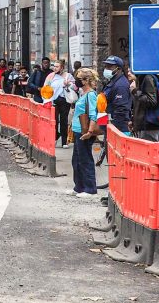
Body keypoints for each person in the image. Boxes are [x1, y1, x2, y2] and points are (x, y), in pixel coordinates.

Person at [70, 67, 100, 197]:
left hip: (84, 131)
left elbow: (93, 114)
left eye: (79, 78)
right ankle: (79, 186)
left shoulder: (91, 95)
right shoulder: (83, 94)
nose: (76, 81)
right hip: (78, 130)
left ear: (86, 81)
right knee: (76, 160)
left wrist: (90, 131)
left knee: (85, 159)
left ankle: (90, 188)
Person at [44, 59, 74, 147]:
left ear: (62, 67)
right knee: (54, 121)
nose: (55, 68)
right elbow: (45, 88)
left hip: (65, 100)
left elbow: (75, 87)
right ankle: (55, 137)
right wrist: (47, 100)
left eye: (57, 66)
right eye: (54, 66)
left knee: (64, 120)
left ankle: (64, 142)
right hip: (54, 100)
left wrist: (68, 84)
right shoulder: (50, 76)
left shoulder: (68, 76)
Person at [101, 56, 133, 136]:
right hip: (109, 125)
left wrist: (114, 129)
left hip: (118, 128)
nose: (106, 69)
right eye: (106, 66)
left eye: (110, 67)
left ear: (118, 69)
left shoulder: (120, 85)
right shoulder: (112, 82)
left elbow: (121, 109)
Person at [131, 73, 159, 142]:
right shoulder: (142, 78)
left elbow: (152, 101)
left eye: (130, 71)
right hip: (144, 124)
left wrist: (135, 91)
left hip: (148, 124)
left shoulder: (148, 78)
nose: (128, 73)